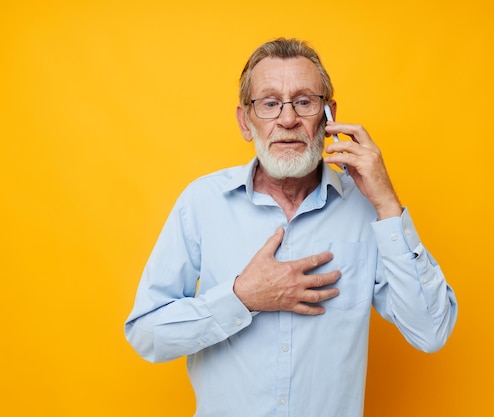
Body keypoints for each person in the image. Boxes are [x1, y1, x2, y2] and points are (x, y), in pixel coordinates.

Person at [125, 37, 458, 417]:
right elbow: (148, 334)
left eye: (304, 101)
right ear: (245, 122)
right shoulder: (201, 202)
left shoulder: (368, 209)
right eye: (269, 103)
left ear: (329, 115)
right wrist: (242, 298)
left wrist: (387, 203)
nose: (287, 119)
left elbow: (431, 331)